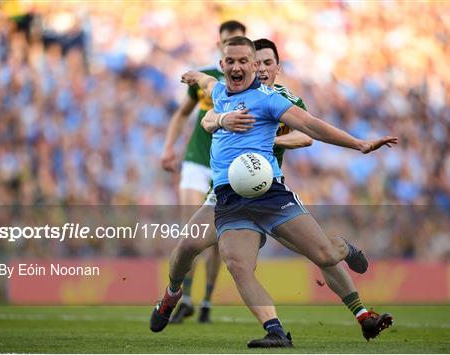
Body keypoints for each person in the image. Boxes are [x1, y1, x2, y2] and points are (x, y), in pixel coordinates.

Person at [150, 38, 394, 346]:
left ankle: (343, 250)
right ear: (223, 64)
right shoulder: (219, 92)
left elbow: (310, 126)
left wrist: (358, 143)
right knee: (223, 259)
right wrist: (193, 75)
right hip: (227, 199)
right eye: (230, 62)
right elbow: (206, 81)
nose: (237, 67)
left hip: (269, 195)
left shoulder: (269, 99)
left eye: (244, 62)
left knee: (326, 255)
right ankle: (271, 330)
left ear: (254, 66)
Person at [160, 20, 246, 324]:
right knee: (192, 231)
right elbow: (182, 114)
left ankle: (207, 299)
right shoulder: (207, 77)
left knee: (219, 239)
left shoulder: (250, 86)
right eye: (225, 43)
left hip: (225, 168)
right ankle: (185, 298)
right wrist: (169, 147)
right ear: (220, 45)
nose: (229, 48)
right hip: (197, 159)